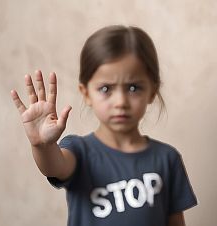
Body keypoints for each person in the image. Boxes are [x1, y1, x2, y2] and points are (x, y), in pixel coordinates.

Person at [10, 25, 197, 226]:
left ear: (152, 91)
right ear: (87, 93)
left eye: (133, 88)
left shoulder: (167, 158)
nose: (121, 102)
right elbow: (54, 166)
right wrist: (42, 146)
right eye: (106, 88)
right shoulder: (79, 151)